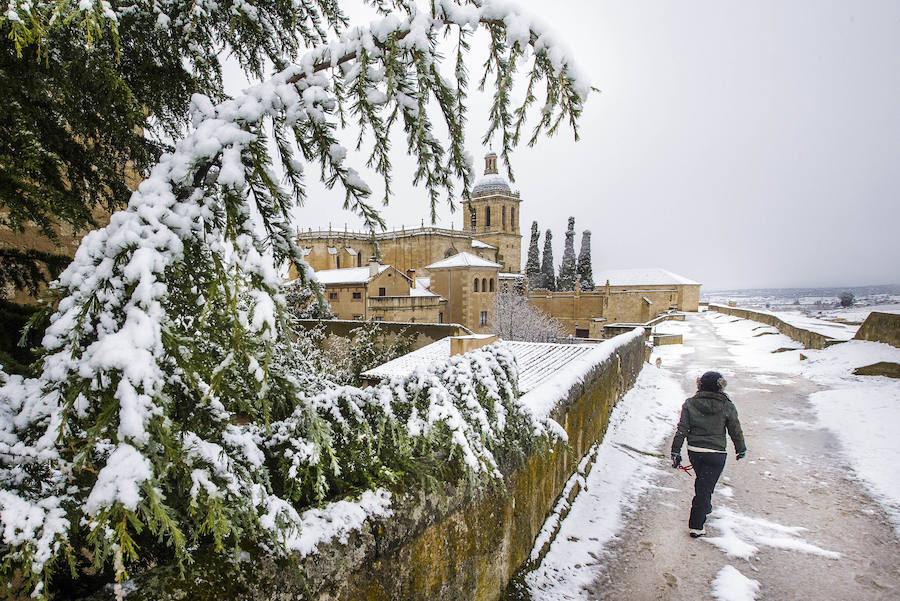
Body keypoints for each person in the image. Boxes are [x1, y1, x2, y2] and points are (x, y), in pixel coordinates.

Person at [671, 371, 746, 537]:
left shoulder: (690, 403)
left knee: (704, 483)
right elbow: (735, 429)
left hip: (695, 452)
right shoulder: (727, 405)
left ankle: (705, 507)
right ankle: (696, 525)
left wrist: (676, 451)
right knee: (704, 488)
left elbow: (682, 429)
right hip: (716, 454)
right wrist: (740, 448)